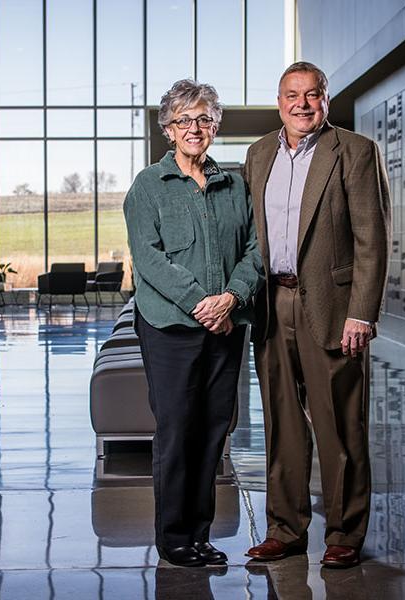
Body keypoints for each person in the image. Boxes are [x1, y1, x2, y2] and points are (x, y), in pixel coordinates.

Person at [244, 62, 390, 568]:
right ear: (278, 100)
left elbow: (373, 240)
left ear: (325, 100)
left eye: (312, 95)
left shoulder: (354, 151)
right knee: (282, 424)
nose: (302, 104)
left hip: (332, 307)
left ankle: (344, 534)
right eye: (292, 95)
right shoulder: (258, 153)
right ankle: (285, 529)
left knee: (340, 425)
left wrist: (362, 313)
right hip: (271, 302)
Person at [123, 79, 263, 567]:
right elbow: (150, 259)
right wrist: (203, 303)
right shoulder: (148, 187)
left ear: (215, 125)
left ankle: (201, 532)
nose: (195, 128)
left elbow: (255, 251)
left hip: (226, 326)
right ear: (168, 129)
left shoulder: (235, 186)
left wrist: (231, 298)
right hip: (170, 328)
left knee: (213, 430)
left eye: (204, 119)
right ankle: (175, 537)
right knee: (179, 430)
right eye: (184, 120)